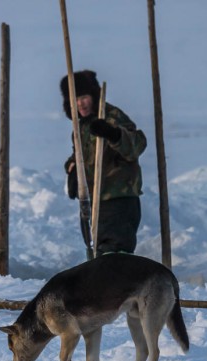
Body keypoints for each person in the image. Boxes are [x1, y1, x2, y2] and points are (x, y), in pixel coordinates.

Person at [60, 70, 147, 256]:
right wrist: (73, 168)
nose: (80, 103)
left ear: (93, 96)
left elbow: (137, 145)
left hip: (118, 199)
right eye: (75, 98)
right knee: (96, 253)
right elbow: (79, 155)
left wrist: (113, 134)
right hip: (93, 201)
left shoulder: (112, 117)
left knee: (114, 254)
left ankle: (120, 285)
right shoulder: (81, 126)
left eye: (84, 97)